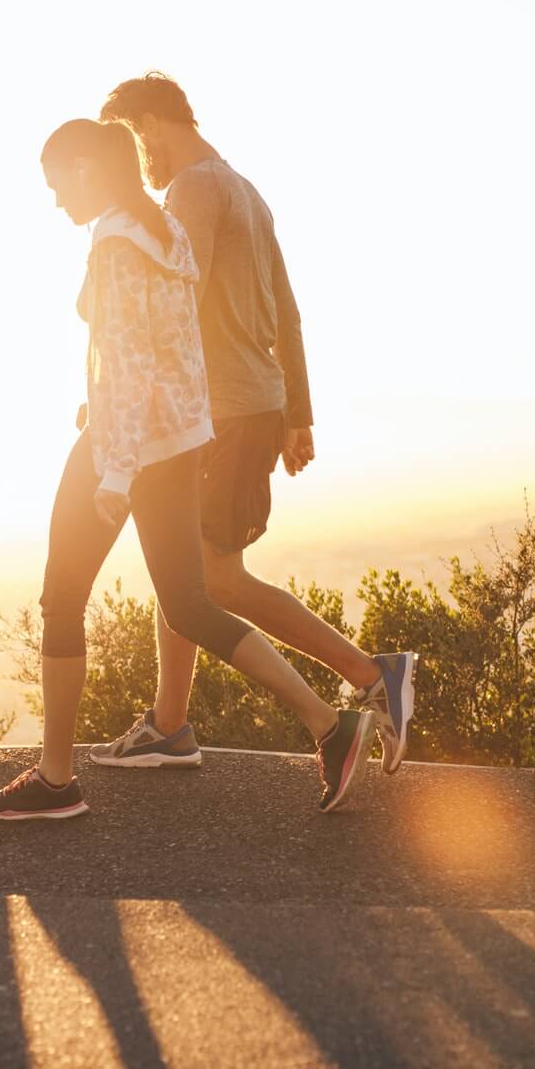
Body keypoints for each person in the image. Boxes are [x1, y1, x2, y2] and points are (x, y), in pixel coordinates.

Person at [0, 119, 375, 822]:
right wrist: (183, 435)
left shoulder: (115, 245)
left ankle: (57, 780)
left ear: (85, 168)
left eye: (56, 181)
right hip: (178, 442)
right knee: (190, 603)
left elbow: (130, 364)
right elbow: (182, 352)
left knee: (62, 599)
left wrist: (114, 472)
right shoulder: (167, 235)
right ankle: (328, 724)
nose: (54, 200)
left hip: (120, 446)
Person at [89, 73, 417, 774]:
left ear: (149, 124)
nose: (134, 156)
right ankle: (170, 724)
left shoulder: (190, 192)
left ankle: (369, 675)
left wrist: (123, 389)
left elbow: (174, 304)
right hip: (248, 404)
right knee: (184, 570)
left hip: (222, 409)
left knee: (214, 580)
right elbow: (288, 312)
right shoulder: (245, 189)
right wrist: (297, 412)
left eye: (129, 137)